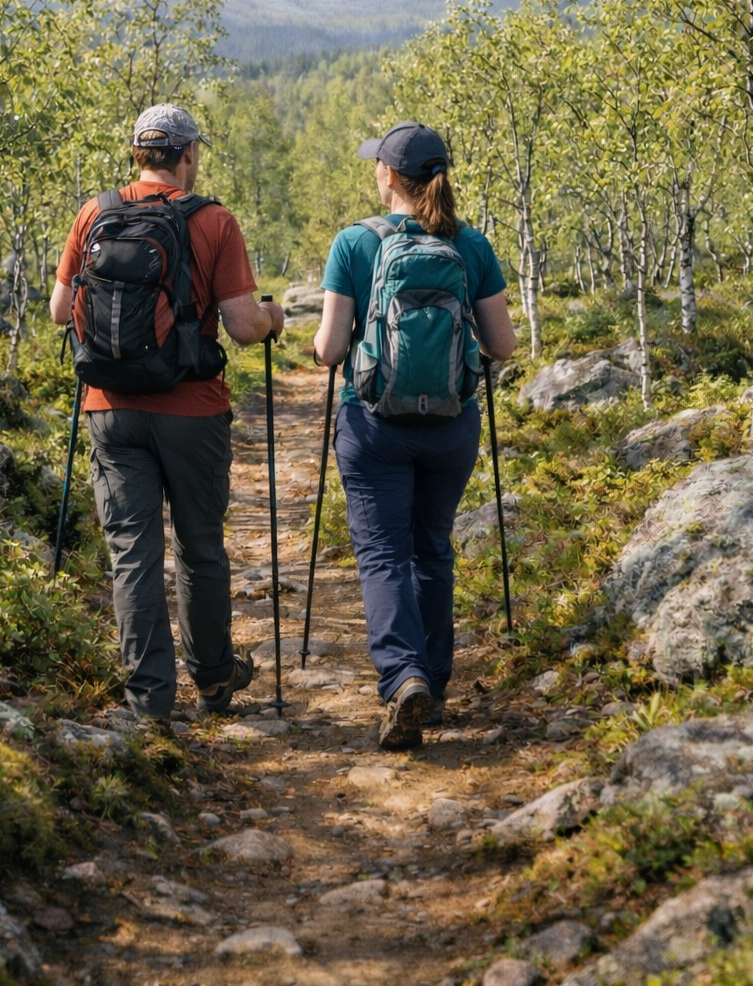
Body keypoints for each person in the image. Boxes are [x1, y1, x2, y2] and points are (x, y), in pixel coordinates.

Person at [50, 103, 285, 726]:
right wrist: (272, 319)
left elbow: (57, 310)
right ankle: (212, 680)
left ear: (136, 154)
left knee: (132, 551)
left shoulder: (94, 213)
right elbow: (240, 327)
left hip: (109, 407)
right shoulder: (214, 221)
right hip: (191, 409)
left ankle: (149, 700)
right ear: (187, 155)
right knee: (200, 548)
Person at [313, 121, 516, 750]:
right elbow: (502, 346)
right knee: (432, 547)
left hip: (372, 424)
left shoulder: (353, 243)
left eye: (378, 165)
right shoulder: (473, 245)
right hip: (450, 425)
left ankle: (403, 678)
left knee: (382, 553)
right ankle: (436, 677)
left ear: (391, 177)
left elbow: (329, 350)